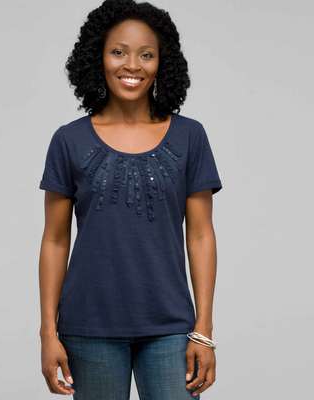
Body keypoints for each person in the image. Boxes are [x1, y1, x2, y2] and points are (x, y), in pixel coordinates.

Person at [38, 1, 223, 399]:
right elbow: (54, 240)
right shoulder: (69, 140)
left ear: (162, 63)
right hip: (89, 327)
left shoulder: (190, 137)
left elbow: (201, 235)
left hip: (171, 327)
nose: (132, 65)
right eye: (118, 52)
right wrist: (47, 333)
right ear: (98, 57)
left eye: (146, 54)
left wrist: (203, 330)